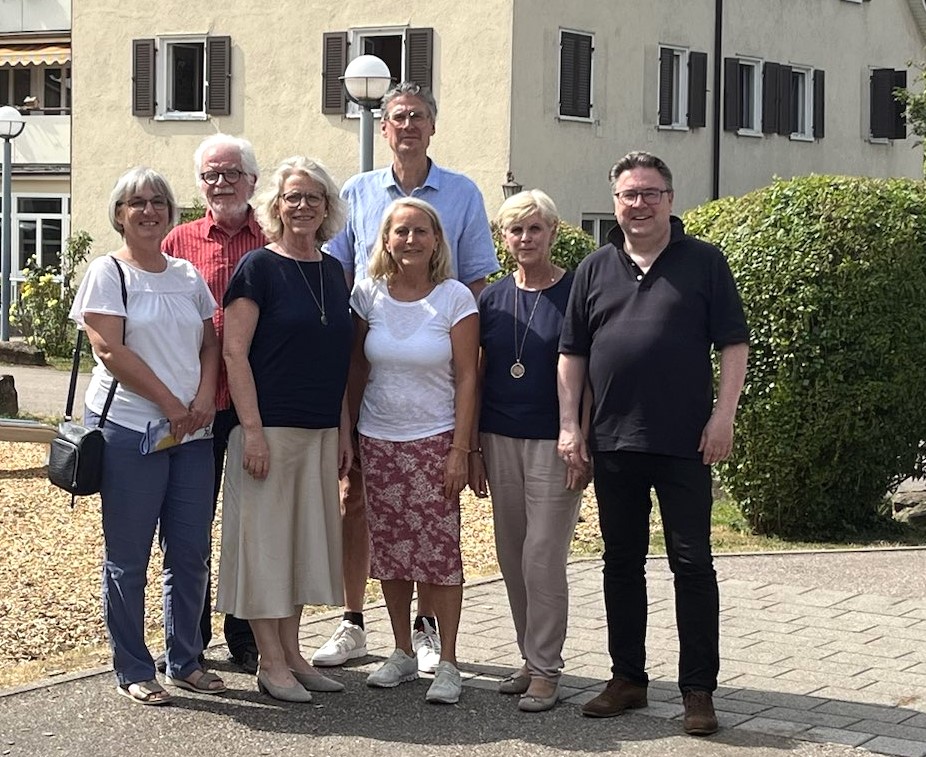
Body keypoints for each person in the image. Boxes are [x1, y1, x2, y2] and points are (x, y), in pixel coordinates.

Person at [558, 151, 749, 736]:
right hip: (614, 441)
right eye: (627, 194)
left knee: (692, 565)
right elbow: (573, 354)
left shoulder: (704, 262)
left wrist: (724, 417)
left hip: (687, 441)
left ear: (670, 198)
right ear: (615, 201)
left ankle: (697, 690)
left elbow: (734, 347)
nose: (638, 204)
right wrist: (571, 426)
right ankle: (628, 680)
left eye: (650, 193)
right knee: (621, 564)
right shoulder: (594, 267)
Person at [315, 81, 498, 673]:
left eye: (419, 116)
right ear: (384, 127)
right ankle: (353, 622)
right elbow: (341, 285)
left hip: (433, 387)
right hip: (373, 389)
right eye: (398, 117)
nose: (409, 126)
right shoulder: (357, 191)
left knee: (431, 522)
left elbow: (473, 286)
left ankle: (426, 637)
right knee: (357, 504)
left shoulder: (464, 193)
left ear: (433, 126)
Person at [69, 166, 225, 705]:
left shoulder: (186, 274)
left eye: (158, 201)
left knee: (190, 551)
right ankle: (134, 667)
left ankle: (184, 659)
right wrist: (170, 404)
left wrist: (203, 401)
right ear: (118, 214)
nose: (149, 210)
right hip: (129, 429)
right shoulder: (107, 272)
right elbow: (110, 350)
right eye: (136, 203)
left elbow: (210, 343)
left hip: (193, 433)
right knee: (128, 557)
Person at [217, 156, 353, 703]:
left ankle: (295, 654)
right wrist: (251, 430)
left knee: (300, 545)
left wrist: (343, 429)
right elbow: (234, 352)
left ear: (327, 208)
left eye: (313, 197)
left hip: (319, 432)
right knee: (265, 549)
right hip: (267, 431)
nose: (302, 206)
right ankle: (269, 661)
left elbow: (340, 359)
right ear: (276, 206)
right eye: (292, 197)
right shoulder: (257, 267)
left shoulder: (334, 270)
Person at [350, 197, 478, 704]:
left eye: (420, 231)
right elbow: (356, 369)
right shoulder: (368, 295)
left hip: (435, 441)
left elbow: (469, 377)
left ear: (436, 240)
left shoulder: (454, 298)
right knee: (393, 552)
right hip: (378, 439)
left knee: (440, 554)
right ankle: (402, 650)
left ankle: (447, 661)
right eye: (400, 231)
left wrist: (460, 450)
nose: (410, 240)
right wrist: (349, 432)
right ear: (385, 240)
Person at [469, 189, 590, 713]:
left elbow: (589, 375)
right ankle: (529, 656)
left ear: (553, 233)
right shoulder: (491, 298)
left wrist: (580, 435)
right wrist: (471, 445)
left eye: (535, 229)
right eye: (515, 230)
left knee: (542, 556)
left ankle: (546, 669)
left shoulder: (575, 294)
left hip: (555, 442)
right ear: (503, 238)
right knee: (512, 555)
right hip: (499, 438)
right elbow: (477, 374)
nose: (525, 239)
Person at [161, 133, 264, 674]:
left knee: (247, 526)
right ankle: (188, 638)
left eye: (230, 173)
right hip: (193, 405)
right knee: (188, 524)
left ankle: (245, 638)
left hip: (253, 408)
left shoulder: (271, 239)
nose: (220, 183)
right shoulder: (177, 241)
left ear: (252, 179)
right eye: (210, 175)